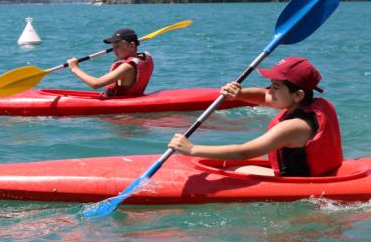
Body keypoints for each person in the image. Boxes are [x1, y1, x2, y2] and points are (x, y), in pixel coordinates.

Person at [168, 57, 342, 177]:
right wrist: (239, 94)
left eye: (276, 87)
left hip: (301, 184)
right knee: (239, 169)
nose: (269, 91)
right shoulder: (312, 104)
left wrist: (192, 150)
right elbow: (262, 96)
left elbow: (244, 151)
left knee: (239, 170)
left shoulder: (294, 127)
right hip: (316, 174)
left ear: (298, 95)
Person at [67, 28, 154, 97]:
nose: (114, 50)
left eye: (118, 46)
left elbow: (95, 84)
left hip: (120, 106)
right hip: (131, 98)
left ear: (131, 46)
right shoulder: (143, 58)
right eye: (113, 47)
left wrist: (75, 68)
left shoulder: (127, 67)